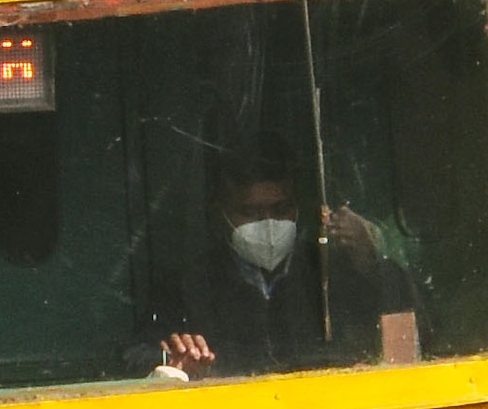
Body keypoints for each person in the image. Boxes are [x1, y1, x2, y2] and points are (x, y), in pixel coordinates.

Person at [157, 150, 414, 371]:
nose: (268, 223)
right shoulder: (189, 286)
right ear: (219, 213)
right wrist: (174, 358)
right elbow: (134, 358)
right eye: (249, 212)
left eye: (280, 209)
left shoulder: (332, 269)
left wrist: (371, 264)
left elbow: (418, 329)